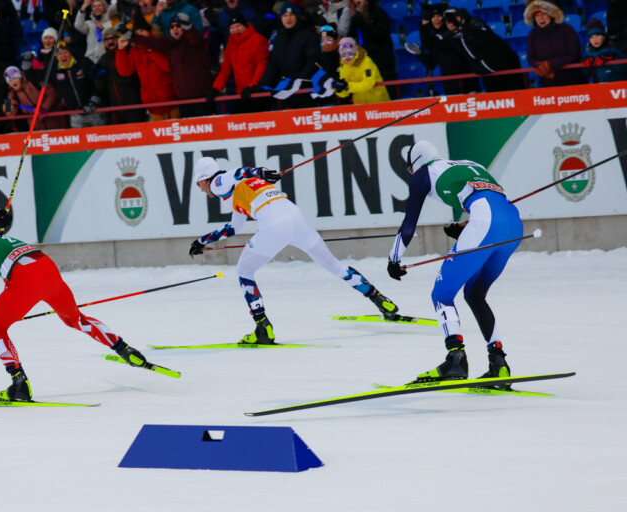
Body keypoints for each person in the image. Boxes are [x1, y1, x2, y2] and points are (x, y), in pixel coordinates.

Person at [0, 211, 148, 401]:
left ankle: (19, 384)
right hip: (47, 268)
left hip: (25, 278)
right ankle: (125, 349)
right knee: (76, 319)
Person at [189, 157, 399, 344]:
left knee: (244, 270)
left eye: (199, 183)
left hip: (274, 224)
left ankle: (263, 328)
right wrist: (202, 241)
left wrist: (258, 171)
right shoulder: (233, 192)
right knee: (334, 266)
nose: (201, 189)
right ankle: (380, 301)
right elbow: (234, 227)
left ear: (205, 178)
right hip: (294, 217)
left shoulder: (218, 182)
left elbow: (236, 173)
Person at [387, 141, 523, 385]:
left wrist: (394, 258)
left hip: (485, 223)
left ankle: (455, 360)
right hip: (513, 225)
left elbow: (409, 224)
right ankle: (499, 363)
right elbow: (492, 202)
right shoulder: (472, 164)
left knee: (442, 293)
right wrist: (463, 227)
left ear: (416, 162)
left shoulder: (424, 173)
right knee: (475, 294)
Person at [443, 8, 524, 93]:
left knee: (516, 100)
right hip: (488, 74)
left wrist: (461, 26)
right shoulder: (452, 38)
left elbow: (484, 37)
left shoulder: (474, 23)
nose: (452, 24)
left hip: (507, 68)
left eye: (455, 19)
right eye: (448, 22)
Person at [256, 2, 319, 109]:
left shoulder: (308, 35)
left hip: (306, 92)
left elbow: (312, 61)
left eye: (291, 15)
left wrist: (299, 81)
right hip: (287, 93)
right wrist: (261, 84)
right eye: (285, 15)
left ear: (296, 16)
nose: (288, 18)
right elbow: (273, 65)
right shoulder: (279, 39)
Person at [411, 2, 480, 96]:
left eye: (439, 16)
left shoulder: (453, 33)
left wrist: (425, 24)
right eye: (433, 16)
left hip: (467, 82)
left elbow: (430, 43)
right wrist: (419, 54)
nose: (436, 19)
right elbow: (431, 64)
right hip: (450, 86)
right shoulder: (432, 38)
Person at [116, 19, 178, 121]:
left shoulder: (161, 45)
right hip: (152, 105)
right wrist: (121, 50)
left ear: (150, 32)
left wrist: (152, 50)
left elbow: (168, 67)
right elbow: (125, 72)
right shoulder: (135, 51)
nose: (139, 34)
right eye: (136, 32)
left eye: (142, 31)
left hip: (171, 102)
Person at [208, 12, 269, 114]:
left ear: (245, 26)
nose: (235, 29)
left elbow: (261, 65)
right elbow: (225, 70)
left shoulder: (257, 39)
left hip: (258, 93)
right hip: (242, 94)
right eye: (232, 27)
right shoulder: (230, 45)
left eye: (238, 26)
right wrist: (215, 89)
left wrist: (252, 86)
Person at [524, 0, 587, 87]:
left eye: (543, 14)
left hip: (572, 80)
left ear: (551, 14)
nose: (541, 18)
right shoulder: (533, 34)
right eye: (537, 15)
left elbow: (574, 54)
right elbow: (531, 59)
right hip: (549, 83)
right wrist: (544, 68)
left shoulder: (567, 29)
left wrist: (550, 64)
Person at [49, 41, 108, 128]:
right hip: (76, 116)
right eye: (60, 53)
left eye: (65, 52)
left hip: (95, 111)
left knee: (101, 139)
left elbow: (101, 78)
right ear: (56, 57)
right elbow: (36, 78)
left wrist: (95, 100)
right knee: (81, 141)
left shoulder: (83, 63)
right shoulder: (54, 71)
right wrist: (27, 67)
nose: (63, 55)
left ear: (70, 53)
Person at [346, 0, 397, 99]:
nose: (357, 1)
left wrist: (362, 22)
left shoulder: (379, 13)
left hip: (383, 65)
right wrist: (354, 19)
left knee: (387, 98)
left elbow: (381, 35)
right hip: (364, 66)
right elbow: (350, 38)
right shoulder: (356, 17)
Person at [97, 26, 145, 124]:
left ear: (118, 39)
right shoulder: (103, 59)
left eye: (113, 38)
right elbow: (100, 82)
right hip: (115, 108)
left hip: (134, 106)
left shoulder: (128, 52)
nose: (110, 41)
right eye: (107, 39)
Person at [334, 36, 389, 104]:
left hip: (377, 102)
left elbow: (368, 84)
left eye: (350, 54)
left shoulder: (366, 62)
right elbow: (345, 93)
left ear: (355, 52)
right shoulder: (343, 66)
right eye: (343, 55)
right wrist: (339, 89)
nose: (347, 57)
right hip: (359, 104)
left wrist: (347, 86)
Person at [74, 0, 118, 65]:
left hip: (106, 59)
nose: (96, 8)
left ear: (105, 8)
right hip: (90, 59)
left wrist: (102, 29)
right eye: (94, 6)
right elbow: (78, 25)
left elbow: (113, 39)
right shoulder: (90, 23)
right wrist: (84, 7)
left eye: (99, 5)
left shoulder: (111, 23)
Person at [583, 19, 627, 83]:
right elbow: (587, 74)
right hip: (601, 88)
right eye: (591, 37)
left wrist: (611, 60)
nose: (595, 39)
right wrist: (585, 67)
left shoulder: (616, 48)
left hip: (619, 86)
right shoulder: (589, 53)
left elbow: (624, 68)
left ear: (603, 36)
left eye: (597, 35)